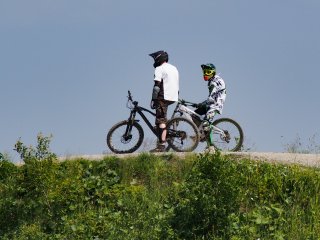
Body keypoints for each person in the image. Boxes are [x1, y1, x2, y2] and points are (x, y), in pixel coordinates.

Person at [149, 50, 179, 152]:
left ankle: (161, 145)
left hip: (163, 96)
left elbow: (157, 86)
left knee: (161, 119)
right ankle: (164, 133)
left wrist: (153, 98)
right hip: (174, 96)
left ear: (159, 58)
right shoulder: (174, 68)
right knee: (160, 119)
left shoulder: (159, 68)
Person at [193, 63, 226, 152]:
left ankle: (210, 146)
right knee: (194, 115)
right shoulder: (213, 79)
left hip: (215, 105)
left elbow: (211, 98)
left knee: (206, 124)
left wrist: (201, 103)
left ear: (213, 72)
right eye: (204, 72)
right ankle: (202, 134)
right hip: (211, 104)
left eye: (208, 72)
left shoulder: (214, 82)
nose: (206, 74)